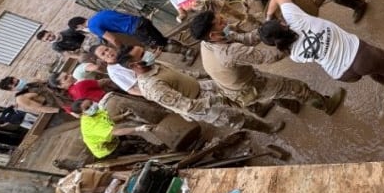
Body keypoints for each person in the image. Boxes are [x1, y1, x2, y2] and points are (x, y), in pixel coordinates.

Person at [189, 10, 346, 116]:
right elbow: (269, 57)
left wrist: (262, 30)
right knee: (296, 87)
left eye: (222, 18)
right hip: (247, 86)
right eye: (221, 22)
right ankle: (328, 105)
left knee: (274, 90)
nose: (226, 21)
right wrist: (289, 43)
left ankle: (293, 106)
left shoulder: (208, 42)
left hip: (232, 84)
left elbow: (244, 39)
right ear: (213, 35)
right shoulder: (230, 52)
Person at [117, 45, 284, 134]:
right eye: (142, 54)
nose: (148, 54)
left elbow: (183, 73)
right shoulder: (152, 87)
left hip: (201, 87)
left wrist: (208, 74)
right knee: (236, 118)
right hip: (201, 106)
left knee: (237, 93)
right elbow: (188, 106)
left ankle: (259, 109)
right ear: (134, 65)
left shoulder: (154, 64)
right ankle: (267, 129)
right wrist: (218, 99)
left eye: (144, 50)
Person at [71, 99, 156, 159]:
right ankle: (155, 154)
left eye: (90, 103)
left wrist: (123, 116)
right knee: (133, 146)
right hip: (107, 150)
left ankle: (154, 148)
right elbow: (115, 132)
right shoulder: (91, 125)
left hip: (111, 139)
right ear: (82, 114)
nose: (92, 106)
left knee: (138, 138)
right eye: (87, 108)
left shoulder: (95, 113)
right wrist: (138, 128)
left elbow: (107, 120)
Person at [70, 11, 179, 51]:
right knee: (162, 39)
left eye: (79, 29)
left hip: (137, 30)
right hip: (141, 21)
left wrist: (122, 49)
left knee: (159, 46)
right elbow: (123, 12)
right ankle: (185, 50)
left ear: (79, 26)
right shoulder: (101, 13)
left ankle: (186, 52)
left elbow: (112, 38)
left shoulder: (93, 27)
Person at [0, 76, 68, 115]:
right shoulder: (21, 98)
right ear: (11, 90)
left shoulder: (31, 84)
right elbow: (40, 108)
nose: (20, 83)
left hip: (65, 95)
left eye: (18, 81)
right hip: (61, 105)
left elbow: (48, 83)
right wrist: (64, 110)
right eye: (16, 85)